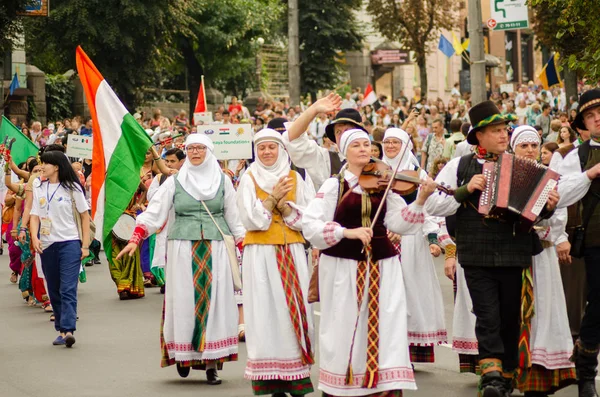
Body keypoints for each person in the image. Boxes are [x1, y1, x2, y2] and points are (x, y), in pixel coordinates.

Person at [425, 101, 559, 397]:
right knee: (487, 315)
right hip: (476, 252)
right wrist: (465, 189)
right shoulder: (459, 166)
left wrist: (548, 207)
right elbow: (433, 204)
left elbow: (532, 212)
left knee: (511, 316)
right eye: (496, 130)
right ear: (478, 136)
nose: (503, 135)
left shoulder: (525, 166)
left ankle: (507, 373)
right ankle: (492, 375)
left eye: (505, 130)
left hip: (514, 252)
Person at [302, 128, 438, 397]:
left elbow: (399, 223)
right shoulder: (334, 184)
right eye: (357, 146)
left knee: (386, 321)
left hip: (383, 264)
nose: (365, 150)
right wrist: (346, 232)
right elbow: (310, 225)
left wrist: (420, 200)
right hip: (343, 266)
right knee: (344, 322)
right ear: (344, 152)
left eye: (367, 145)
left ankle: (384, 386)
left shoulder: (384, 182)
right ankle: (346, 386)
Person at [117, 134, 245, 384]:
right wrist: (136, 238)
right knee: (185, 300)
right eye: (191, 148)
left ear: (209, 151)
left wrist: (245, 248)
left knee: (215, 301)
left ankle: (211, 364)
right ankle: (184, 355)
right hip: (182, 249)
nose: (195, 152)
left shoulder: (223, 181)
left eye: (200, 148)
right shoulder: (175, 182)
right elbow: (154, 211)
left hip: (216, 248)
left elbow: (234, 218)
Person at [237, 128, 316, 396]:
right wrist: (271, 200)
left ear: (281, 150)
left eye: (271, 147)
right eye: (261, 148)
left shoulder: (296, 177)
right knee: (264, 312)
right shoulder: (248, 178)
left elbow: (308, 218)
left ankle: (295, 379)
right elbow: (249, 220)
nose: (267, 152)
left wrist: (286, 207)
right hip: (260, 254)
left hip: (291, 251)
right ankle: (270, 381)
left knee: (293, 308)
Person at [509, 126, 576, 396]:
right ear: (514, 149)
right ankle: (513, 370)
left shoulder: (549, 179)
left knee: (544, 311)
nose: (529, 151)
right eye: (523, 146)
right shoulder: (506, 177)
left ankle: (543, 372)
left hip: (542, 255)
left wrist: (552, 228)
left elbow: (559, 217)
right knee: (517, 311)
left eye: (533, 146)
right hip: (515, 254)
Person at [382, 128, 447, 363]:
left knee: (411, 293)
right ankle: (387, 349)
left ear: (405, 146)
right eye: (387, 142)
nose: (390, 146)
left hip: (412, 242)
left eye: (395, 143)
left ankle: (410, 351)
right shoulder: (375, 171)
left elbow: (428, 211)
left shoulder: (418, 175)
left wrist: (432, 239)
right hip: (384, 238)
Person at [556, 88, 600, 397]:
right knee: (599, 303)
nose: (598, 119)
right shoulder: (577, 155)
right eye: (590, 116)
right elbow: (558, 194)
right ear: (584, 125)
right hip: (597, 239)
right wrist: (590, 173)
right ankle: (586, 371)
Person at [30, 151, 90, 348]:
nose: (42, 167)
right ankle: (61, 329)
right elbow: (35, 216)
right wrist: (34, 237)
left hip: (70, 242)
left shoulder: (72, 187)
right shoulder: (39, 186)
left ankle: (69, 330)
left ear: (56, 166)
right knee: (54, 289)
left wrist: (85, 245)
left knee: (67, 288)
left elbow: (84, 216)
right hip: (47, 244)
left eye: (45, 164)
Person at [147, 148, 186, 291]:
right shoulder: (159, 178)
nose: (169, 164)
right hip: (164, 220)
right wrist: (167, 186)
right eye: (167, 161)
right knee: (164, 250)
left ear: (181, 162)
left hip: (181, 220)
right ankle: (166, 281)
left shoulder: (187, 177)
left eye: (173, 161)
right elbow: (151, 197)